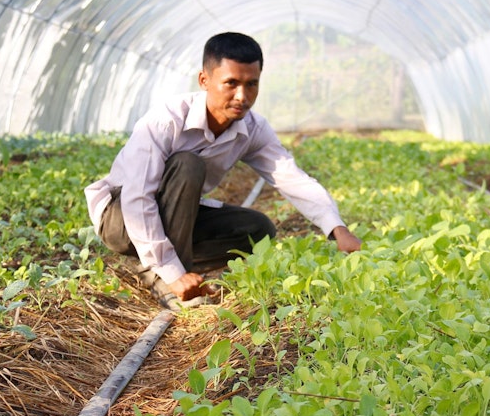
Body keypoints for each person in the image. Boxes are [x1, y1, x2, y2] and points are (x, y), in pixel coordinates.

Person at [84, 32, 362, 305]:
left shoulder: (253, 128)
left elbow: (291, 178)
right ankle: (166, 279)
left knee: (258, 230)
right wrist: (173, 272)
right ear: (204, 80)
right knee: (187, 164)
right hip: (120, 218)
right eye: (231, 83)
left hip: (174, 216)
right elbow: (137, 197)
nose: (242, 96)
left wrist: (337, 228)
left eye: (251, 84)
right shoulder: (166, 119)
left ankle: (166, 266)